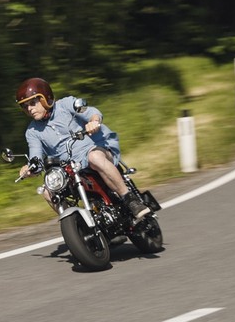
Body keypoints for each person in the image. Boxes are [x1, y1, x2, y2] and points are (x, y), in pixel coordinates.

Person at [15, 77, 151, 221]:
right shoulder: (32, 132)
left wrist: (94, 121)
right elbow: (36, 158)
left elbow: (92, 112)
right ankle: (78, 224)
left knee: (94, 158)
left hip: (96, 149)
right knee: (48, 191)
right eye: (25, 106)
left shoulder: (66, 104)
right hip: (70, 169)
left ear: (45, 98)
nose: (29, 108)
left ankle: (130, 199)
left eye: (33, 103)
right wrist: (30, 169)